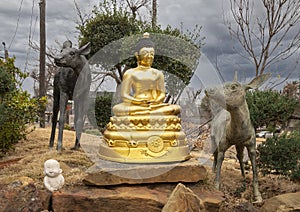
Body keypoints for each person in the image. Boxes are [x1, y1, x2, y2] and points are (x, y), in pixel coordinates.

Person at [112, 32, 181, 116]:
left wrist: (156, 101)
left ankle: (143, 116)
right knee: (117, 109)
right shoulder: (130, 73)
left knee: (175, 108)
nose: (149, 56)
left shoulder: (158, 73)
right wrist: (137, 101)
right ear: (137, 55)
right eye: (145, 53)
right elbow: (124, 95)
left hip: (154, 105)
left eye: (152, 54)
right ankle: (149, 116)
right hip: (137, 104)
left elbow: (162, 94)